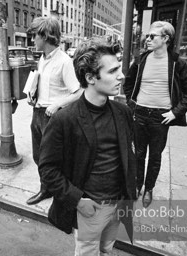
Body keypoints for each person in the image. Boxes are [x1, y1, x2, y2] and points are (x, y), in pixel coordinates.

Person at [39, 38, 137, 255]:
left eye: (119, 69)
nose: (121, 76)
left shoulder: (123, 113)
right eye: (113, 71)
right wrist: (77, 200)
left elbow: (129, 156)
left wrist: (130, 194)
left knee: (106, 249)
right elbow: (47, 170)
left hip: (118, 204)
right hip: (90, 208)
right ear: (91, 77)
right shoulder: (64, 120)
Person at [123, 21, 187, 208]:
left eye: (152, 36)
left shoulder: (176, 63)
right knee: (138, 154)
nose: (147, 39)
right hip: (139, 113)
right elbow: (128, 82)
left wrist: (175, 113)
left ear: (165, 39)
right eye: (147, 36)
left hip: (161, 117)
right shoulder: (141, 59)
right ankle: (137, 185)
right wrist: (131, 103)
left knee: (155, 156)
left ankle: (149, 188)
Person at [25, 17, 83, 205]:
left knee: (53, 159)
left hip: (53, 116)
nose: (33, 40)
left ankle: (53, 192)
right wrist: (32, 95)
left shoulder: (65, 61)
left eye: (35, 36)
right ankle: (47, 187)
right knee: (38, 156)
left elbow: (79, 92)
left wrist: (57, 104)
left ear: (45, 36)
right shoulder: (42, 58)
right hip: (38, 112)